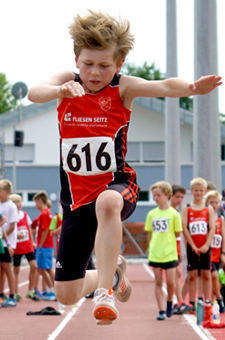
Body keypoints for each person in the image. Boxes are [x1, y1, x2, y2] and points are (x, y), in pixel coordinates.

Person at [27, 10, 222, 325]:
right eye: (88, 64)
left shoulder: (122, 88)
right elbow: (34, 93)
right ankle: (114, 276)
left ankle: (104, 294)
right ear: (76, 59)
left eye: (104, 66)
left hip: (118, 187)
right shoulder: (67, 82)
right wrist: (59, 91)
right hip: (75, 201)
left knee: (106, 201)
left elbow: (163, 85)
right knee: (66, 294)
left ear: (118, 65)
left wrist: (192, 88)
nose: (94, 73)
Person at [145, 181, 182, 320]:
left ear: (167, 195)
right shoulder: (151, 214)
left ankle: (169, 303)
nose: (156, 198)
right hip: (155, 253)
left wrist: (177, 253)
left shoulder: (174, 214)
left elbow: (177, 235)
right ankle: (161, 310)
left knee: (171, 283)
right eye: (154, 195)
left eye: (158, 195)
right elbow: (150, 234)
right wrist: (152, 249)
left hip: (170, 253)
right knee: (158, 281)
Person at [182, 177, 215, 313]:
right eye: (196, 191)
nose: (198, 193)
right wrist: (192, 245)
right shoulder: (187, 208)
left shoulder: (208, 208)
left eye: (201, 191)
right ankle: (192, 302)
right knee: (193, 275)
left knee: (207, 274)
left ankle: (207, 302)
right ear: (192, 191)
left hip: (205, 246)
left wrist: (207, 245)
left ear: (205, 192)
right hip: (192, 246)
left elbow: (211, 228)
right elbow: (185, 227)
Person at [9, 194, 40, 302]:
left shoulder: (25, 214)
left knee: (34, 266)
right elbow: (8, 229)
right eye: (17, 202)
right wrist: (15, 234)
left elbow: (30, 229)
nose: (20, 204)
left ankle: (30, 291)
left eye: (20, 202)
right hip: (17, 246)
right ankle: (16, 292)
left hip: (27, 245)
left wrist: (32, 242)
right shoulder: (10, 216)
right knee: (16, 270)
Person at [170, 184, 191, 314]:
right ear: (170, 196)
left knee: (177, 275)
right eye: (177, 197)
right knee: (173, 276)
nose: (180, 200)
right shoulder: (169, 212)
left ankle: (179, 302)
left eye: (182, 197)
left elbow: (179, 234)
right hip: (167, 250)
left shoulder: (177, 212)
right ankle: (176, 302)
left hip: (174, 249)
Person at [33, 191, 56, 301]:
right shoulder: (48, 212)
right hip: (48, 245)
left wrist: (40, 245)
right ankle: (51, 289)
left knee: (44, 269)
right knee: (44, 268)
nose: (35, 205)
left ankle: (52, 290)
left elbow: (45, 230)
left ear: (40, 201)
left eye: (36, 202)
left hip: (45, 245)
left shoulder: (44, 214)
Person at [204, 190, 225, 313]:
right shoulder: (205, 216)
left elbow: (223, 237)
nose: (214, 204)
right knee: (214, 276)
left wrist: (223, 252)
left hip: (217, 253)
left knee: (215, 279)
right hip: (208, 252)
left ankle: (212, 302)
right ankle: (220, 299)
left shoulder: (221, 219)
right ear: (206, 203)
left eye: (216, 202)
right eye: (211, 202)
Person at [0, 179, 18, 307]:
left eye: (0, 191)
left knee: (7, 268)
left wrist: (3, 237)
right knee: (2, 268)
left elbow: (11, 226)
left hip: (7, 242)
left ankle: (12, 295)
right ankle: (1, 294)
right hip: (1, 240)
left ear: (7, 192)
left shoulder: (11, 206)